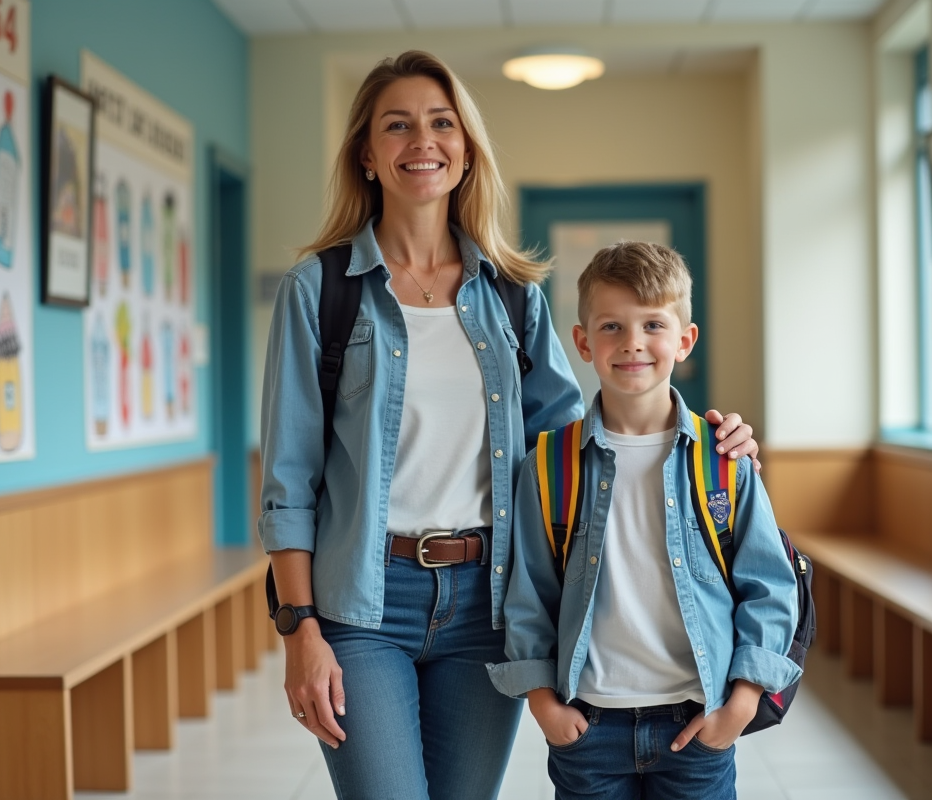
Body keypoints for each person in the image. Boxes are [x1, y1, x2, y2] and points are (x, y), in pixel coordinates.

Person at [258, 51, 761, 800]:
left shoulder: (511, 295)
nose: (420, 141)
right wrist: (300, 630)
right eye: (396, 125)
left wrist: (703, 436)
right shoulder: (320, 291)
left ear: (465, 151)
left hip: (486, 605)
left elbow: (575, 445)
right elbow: (288, 481)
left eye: (440, 123)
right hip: (362, 605)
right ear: (367, 153)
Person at [488, 241, 799, 800]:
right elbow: (529, 592)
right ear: (582, 342)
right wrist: (543, 704)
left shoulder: (724, 460)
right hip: (589, 728)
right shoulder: (550, 463)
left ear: (685, 339)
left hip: (695, 722)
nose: (632, 343)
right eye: (611, 327)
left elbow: (769, 587)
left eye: (653, 324)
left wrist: (743, 703)